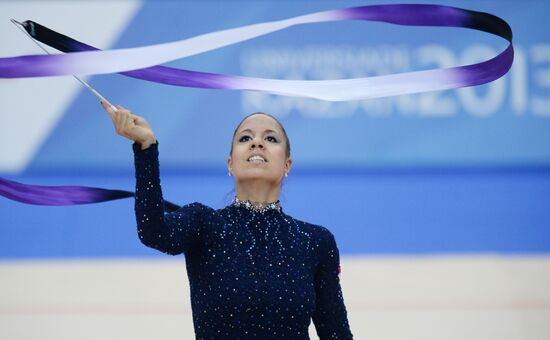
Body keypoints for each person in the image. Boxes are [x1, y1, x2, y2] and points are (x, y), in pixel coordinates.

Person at [100, 100, 354, 339]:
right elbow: (153, 232)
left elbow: (336, 333)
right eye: (245, 138)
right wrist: (146, 148)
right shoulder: (203, 223)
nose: (257, 143)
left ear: (287, 165)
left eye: (270, 138)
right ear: (230, 164)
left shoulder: (316, 241)